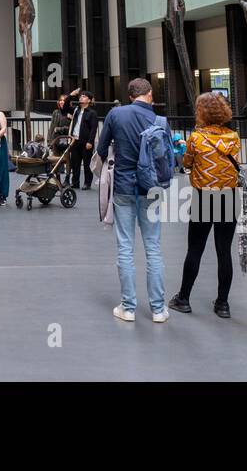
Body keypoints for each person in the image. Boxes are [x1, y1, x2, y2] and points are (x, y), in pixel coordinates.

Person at [95, 78, 167, 324]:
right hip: (152, 191)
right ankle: (158, 309)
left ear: (130, 95)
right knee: (153, 248)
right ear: (148, 95)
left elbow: (101, 148)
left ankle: (128, 307)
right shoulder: (160, 121)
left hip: (124, 187)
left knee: (125, 247)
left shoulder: (116, 115)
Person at [170, 92, 240, 319]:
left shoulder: (196, 138)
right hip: (228, 197)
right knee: (224, 251)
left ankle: (183, 298)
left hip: (203, 198)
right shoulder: (233, 137)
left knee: (195, 249)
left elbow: (187, 163)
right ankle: (222, 304)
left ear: (201, 112)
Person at [66, 89, 99, 190]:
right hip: (74, 140)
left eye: (84, 96)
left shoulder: (92, 113)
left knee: (87, 164)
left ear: (89, 100)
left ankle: (87, 183)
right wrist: (71, 95)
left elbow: (93, 129)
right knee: (75, 163)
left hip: (86, 142)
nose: (81, 97)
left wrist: (90, 141)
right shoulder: (76, 110)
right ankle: (75, 182)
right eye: (80, 96)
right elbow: (66, 106)